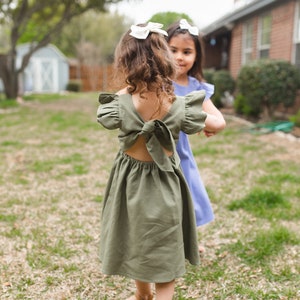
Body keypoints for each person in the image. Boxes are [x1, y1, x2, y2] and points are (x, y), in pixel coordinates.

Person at [97, 22, 224, 300]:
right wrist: (210, 124)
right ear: (166, 60)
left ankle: (142, 295)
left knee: (136, 240)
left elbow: (104, 115)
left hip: (129, 184)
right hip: (165, 184)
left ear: (126, 61)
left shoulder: (120, 101)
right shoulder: (177, 104)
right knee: (165, 248)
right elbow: (218, 122)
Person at [166, 19, 226, 239]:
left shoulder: (195, 87)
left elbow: (218, 119)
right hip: (156, 150)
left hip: (181, 152)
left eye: (187, 52)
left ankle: (188, 240)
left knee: (187, 193)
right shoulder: (157, 81)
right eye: (172, 50)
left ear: (196, 56)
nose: (179, 57)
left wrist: (205, 122)